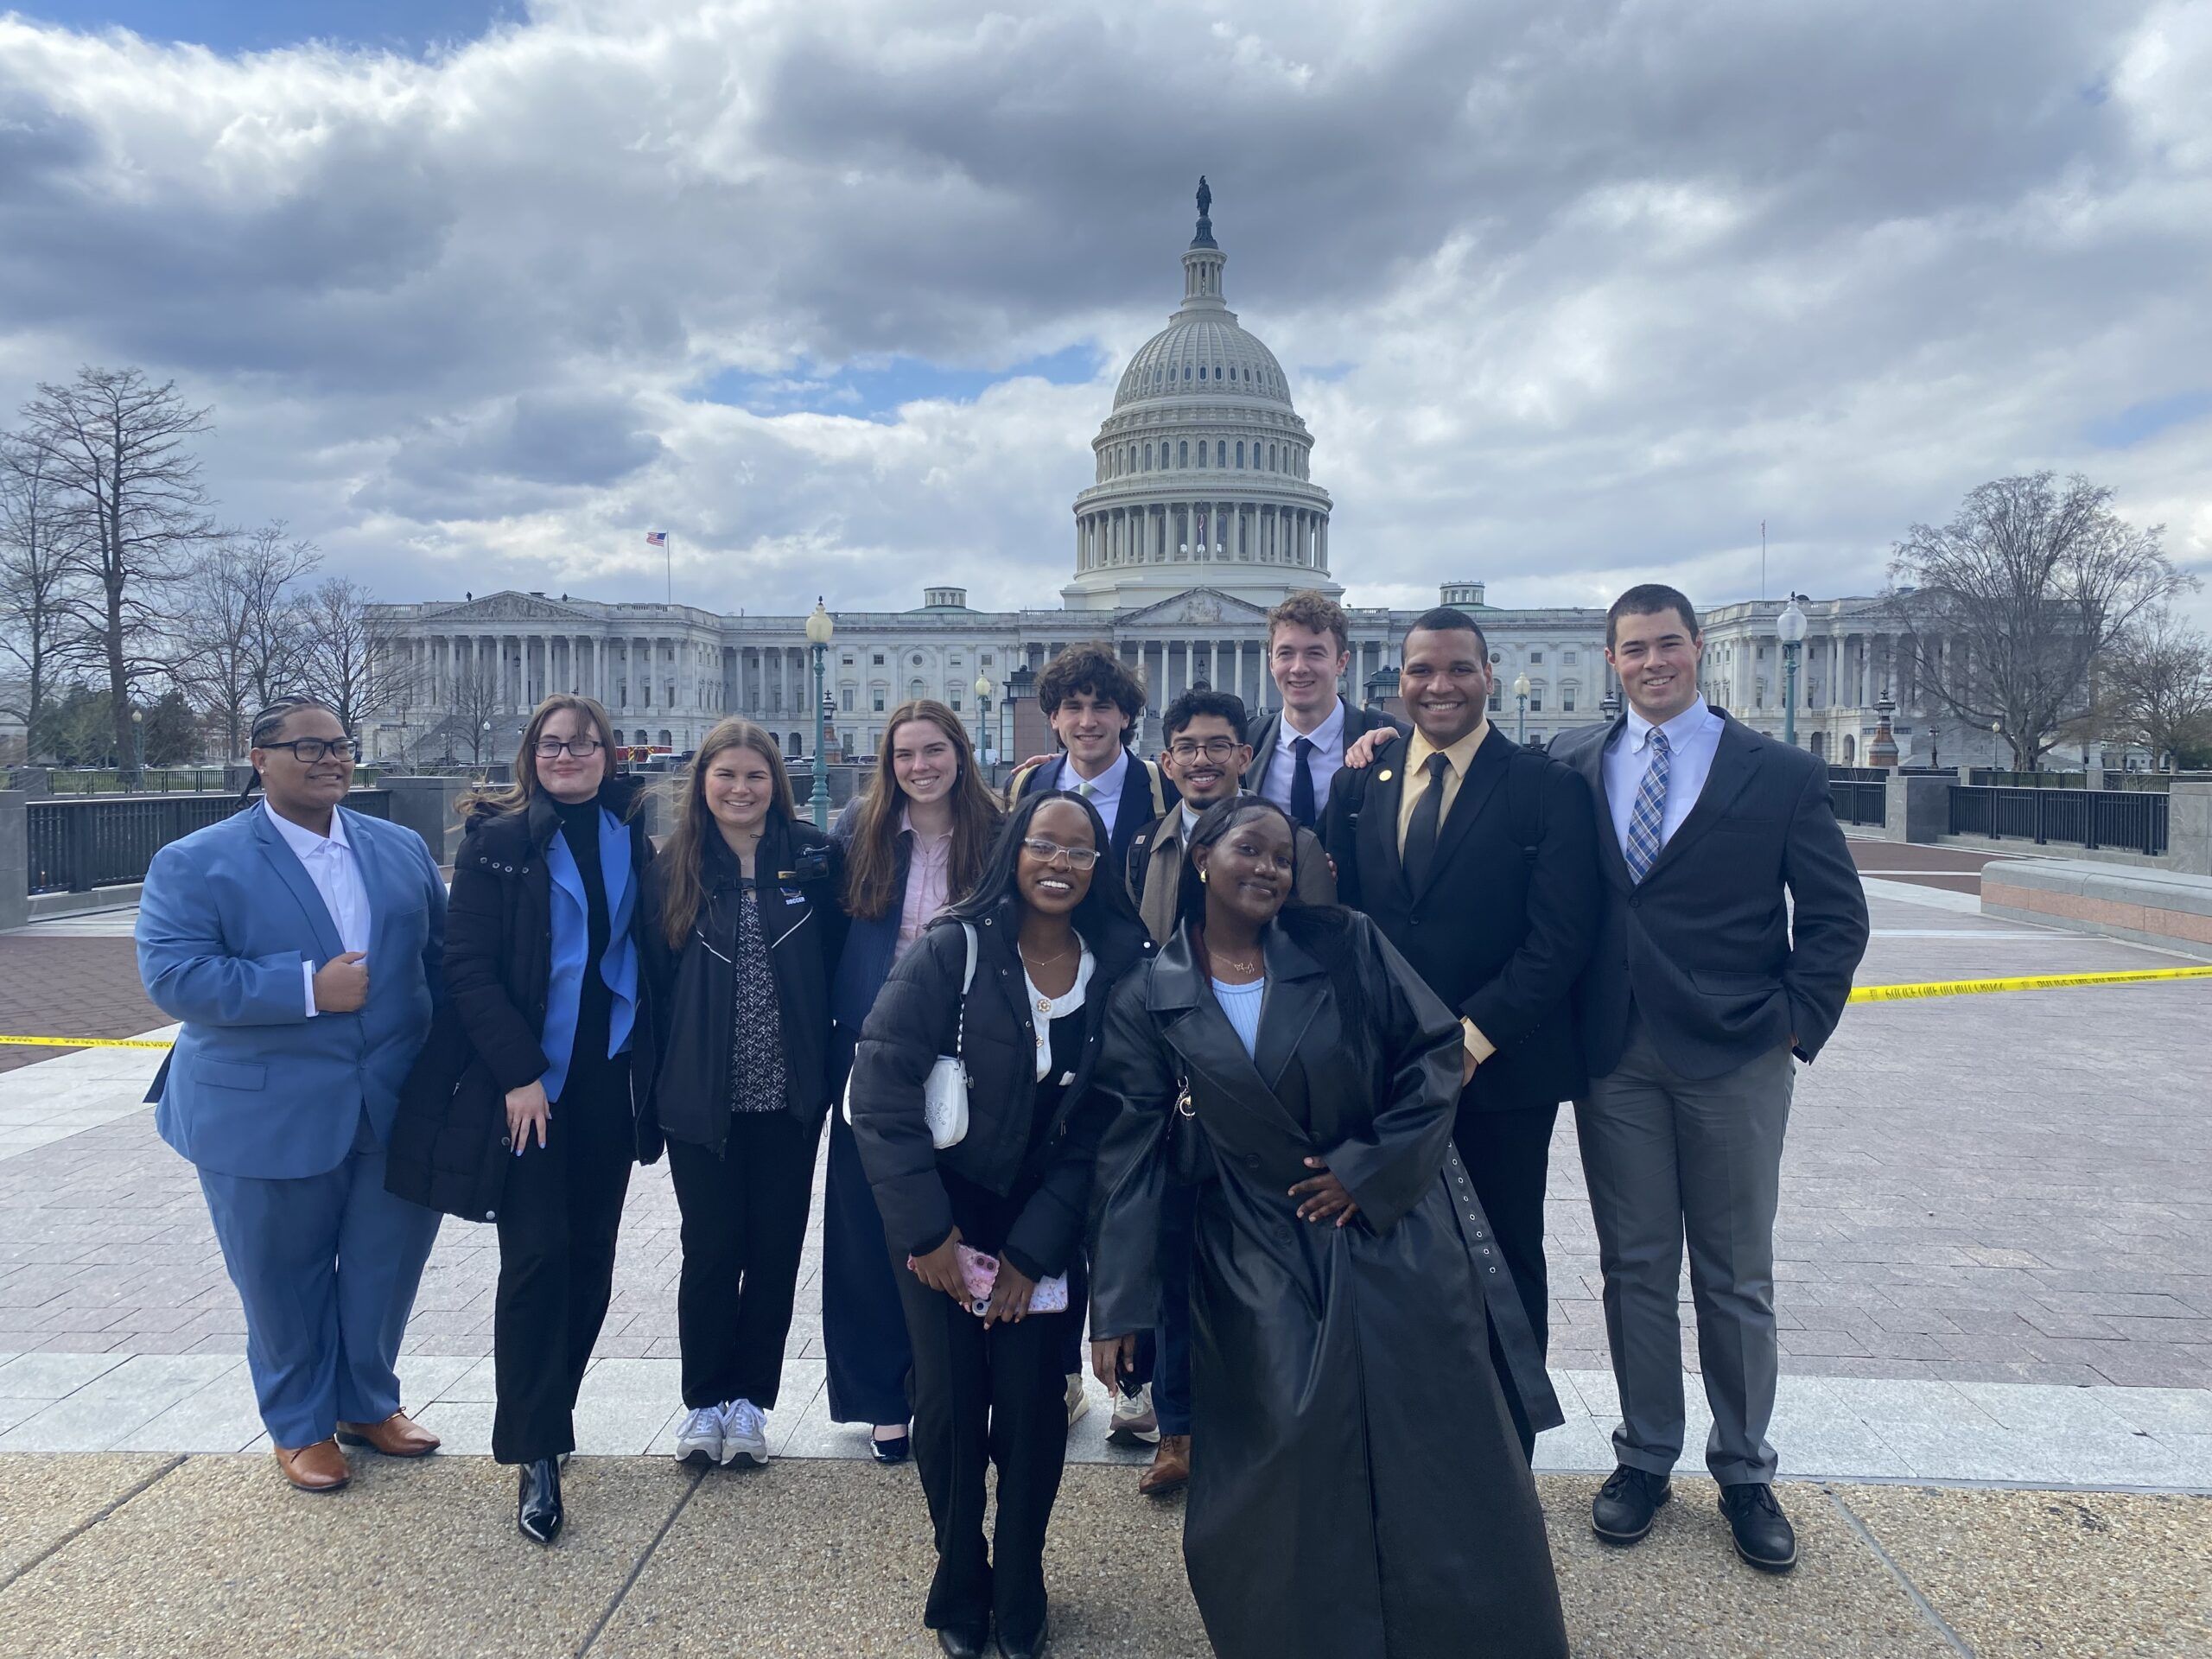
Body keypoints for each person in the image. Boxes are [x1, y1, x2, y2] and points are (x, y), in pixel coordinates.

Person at [1088, 798, 1568, 1659]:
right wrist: (1117, 1303)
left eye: (1284, 856)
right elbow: (1131, 1152)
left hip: (1393, 1232)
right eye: (1249, 849)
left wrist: (1370, 1168)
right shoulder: (1148, 996)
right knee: (1284, 1455)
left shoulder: (1345, 943)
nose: (1269, 868)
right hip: (1250, 1247)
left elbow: (1431, 1054)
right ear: (1201, 856)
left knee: (1433, 1448)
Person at [1547, 584, 1868, 1573]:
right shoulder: (1570, 764)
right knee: (1634, 1266)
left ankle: (1742, 1468)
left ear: (1698, 650)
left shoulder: (1775, 772)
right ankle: (1645, 1454)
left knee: (1734, 1275)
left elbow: (1833, 916)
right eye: (1634, 648)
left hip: (1734, 1053)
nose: (1654, 663)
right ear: (1612, 659)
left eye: (1669, 645)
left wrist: (1790, 1029)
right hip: (1615, 1055)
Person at [849, 793, 1150, 1659]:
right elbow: (880, 1090)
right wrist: (927, 1235)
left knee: (1027, 1407)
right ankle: (959, 1573)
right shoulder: (955, 947)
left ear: (1099, 868)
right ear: (1014, 850)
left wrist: (1034, 1250)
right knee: (946, 1405)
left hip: (1041, 1223)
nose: (1058, 863)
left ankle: (1021, 1575)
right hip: (942, 1212)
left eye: (1079, 851)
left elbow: (1111, 1120)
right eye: (1043, 845)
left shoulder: (1121, 961)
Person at [137, 696, 448, 1494]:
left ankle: (367, 1402)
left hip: (394, 1102)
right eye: (308, 748)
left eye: (340, 745)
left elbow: (442, 962)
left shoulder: (400, 848)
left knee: (387, 1266)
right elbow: (173, 976)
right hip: (262, 1108)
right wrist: (307, 989)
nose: (331, 760)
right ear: (259, 757)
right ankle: (300, 1425)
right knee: (281, 1277)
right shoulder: (196, 860)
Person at [1321, 606, 1599, 1459]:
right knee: (1393, 1244)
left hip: (1500, 1069)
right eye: (1420, 672)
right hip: (1388, 1070)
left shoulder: (1545, 786)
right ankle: (1408, 1424)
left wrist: (1472, 1040)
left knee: (1505, 1249)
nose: (1438, 687)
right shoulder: (1358, 784)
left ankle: (1505, 1435)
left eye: (1456, 670)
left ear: (1488, 675)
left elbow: (1560, 939)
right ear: (1397, 681)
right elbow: (1341, 924)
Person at [390, 694, 657, 1545]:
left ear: (608, 754)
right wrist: (518, 1073)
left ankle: (557, 1411)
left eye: (583, 743)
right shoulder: (499, 842)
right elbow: (464, 967)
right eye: (552, 743)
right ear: (530, 755)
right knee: (537, 1257)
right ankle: (533, 1451)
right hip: (534, 1086)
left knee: (590, 1259)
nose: (567, 755)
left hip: (609, 1081)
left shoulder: (634, 842)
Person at [1113, 686, 1334, 1495]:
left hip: (1266, 1071)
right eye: (1186, 747)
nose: (1201, 760)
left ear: (1247, 756)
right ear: (1165, 761)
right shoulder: (1146, 842)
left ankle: (1266, 1419)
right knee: (1173, 1256)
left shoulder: (1287, 840)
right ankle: (1178, 1430)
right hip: (1176, 1073)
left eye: (1219, 745)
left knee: (1268, 1263)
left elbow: (1318, 948)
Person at [641, 720, 845, 1471]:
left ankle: (750, 1403)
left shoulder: (815, 861)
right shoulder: (674, 869)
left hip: (788, 1093)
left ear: (776, 784)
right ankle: (703, 1399)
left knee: (774, 1251)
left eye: (755, 776)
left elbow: (838, 960)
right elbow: (654, 990)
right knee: (711, 1247)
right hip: (703, 1092)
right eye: (725, 775)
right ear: (703, 783)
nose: (740, 789)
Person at [1002, 642, 1176, 1419]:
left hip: (1135, 999)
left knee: (1128, 1184)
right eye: (1072, 706)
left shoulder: (1163, 786)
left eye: (1101, 706)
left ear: (1127, 717)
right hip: (1052, 993)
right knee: (1053, 1176)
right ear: (1054, 715)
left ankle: (1133, 1377)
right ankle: (1063, 1372)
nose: (1086, 719)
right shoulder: (1028, 786)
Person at [827, 701, 1002, 1463]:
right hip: (874, 1054)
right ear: (887, 763)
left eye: (934, 751)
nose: (920, 767)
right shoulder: (855, 835)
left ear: (959, 755)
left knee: (964, 1219)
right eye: (904, 755)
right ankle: (882, 1394)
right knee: (868, 1227)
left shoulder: (997, 836)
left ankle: (963, 1384)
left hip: (971, 1050)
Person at [1242, 590, 1394, 831]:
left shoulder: (1387, 743)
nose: (1298, 668)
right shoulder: (1247, 742)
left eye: (1314, 653)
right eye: (1286, 654)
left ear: (1341, 662)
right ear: (1271, 663)